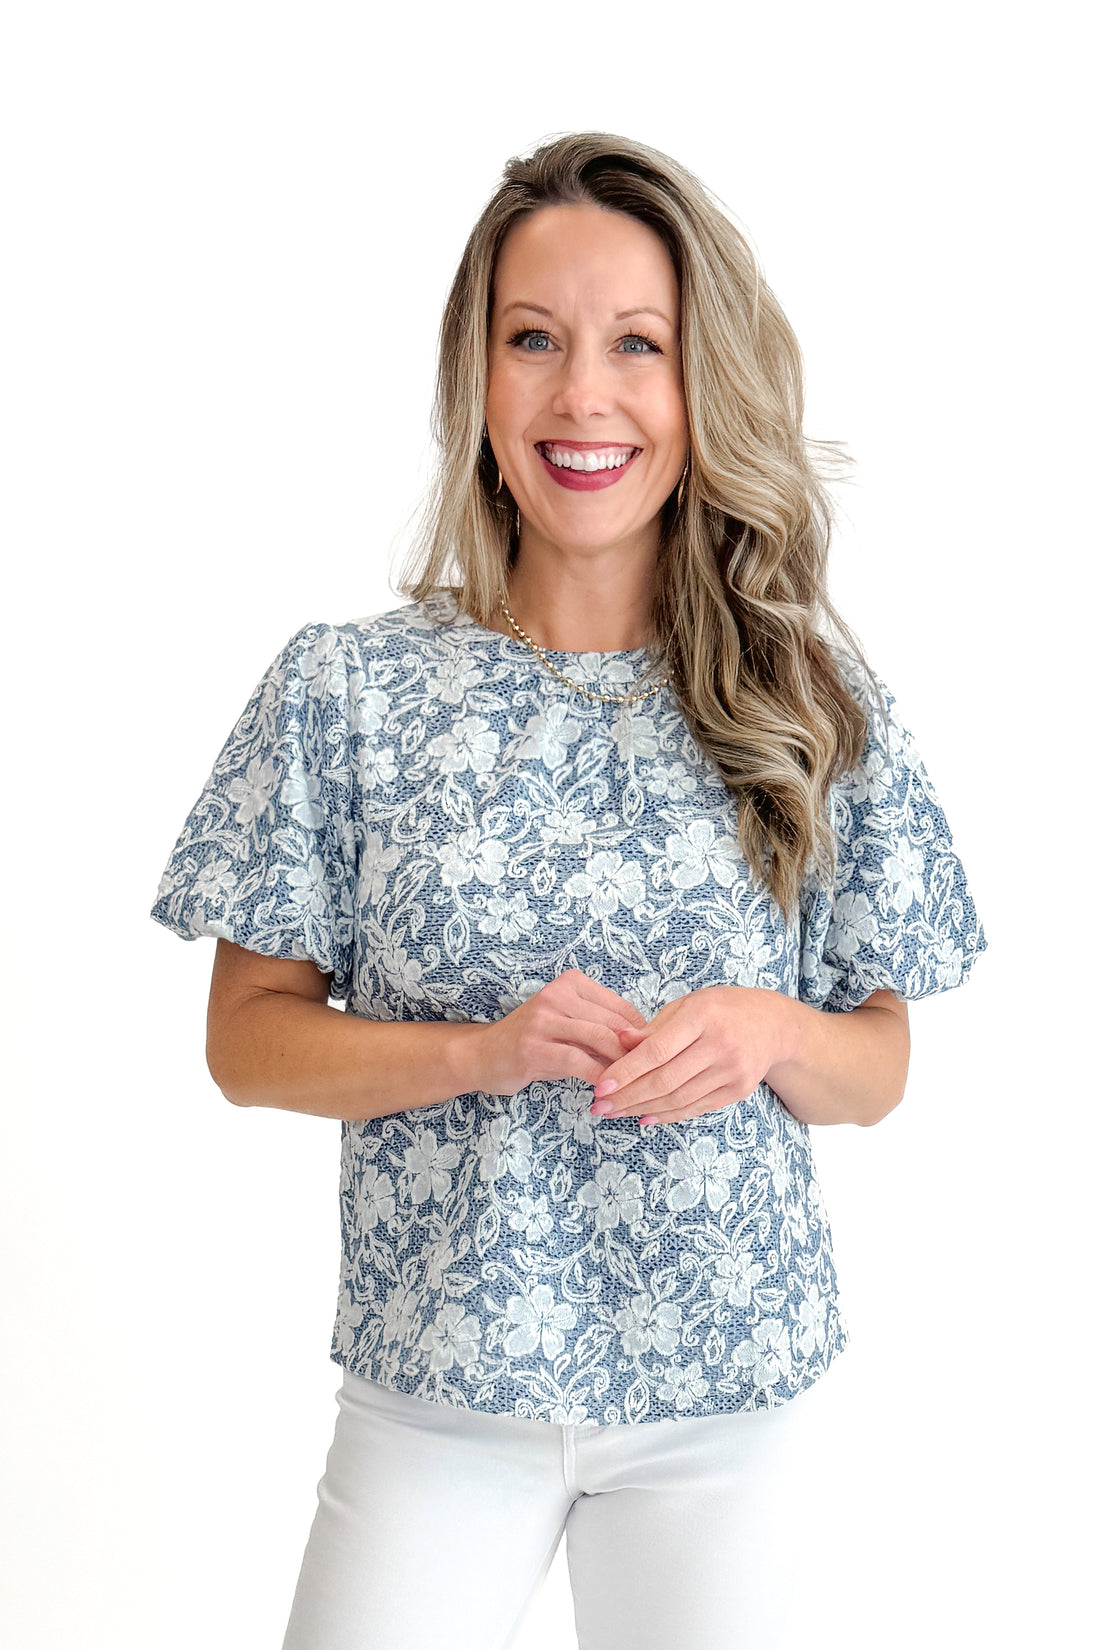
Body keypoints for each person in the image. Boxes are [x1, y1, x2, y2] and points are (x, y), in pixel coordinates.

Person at [150, 131, 987, 1650]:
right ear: (476, 378)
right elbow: (244, 1039)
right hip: (436, 1393)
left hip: (725, 1402)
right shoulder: (349, 692)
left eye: (636, 346)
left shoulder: (808, 699)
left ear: (697, 385)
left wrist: (768, 1029)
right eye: (532, 339)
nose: (581, 395)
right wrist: (474, 1051)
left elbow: (880, 1064)